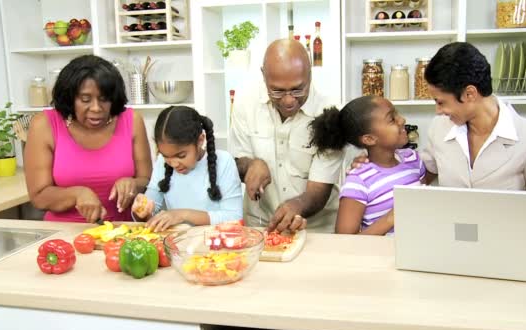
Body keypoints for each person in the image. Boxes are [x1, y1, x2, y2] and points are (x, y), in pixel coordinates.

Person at [354, 42, 526, 251]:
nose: (437, 111)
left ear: (470, 94)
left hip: (503, 248)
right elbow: (418, 176)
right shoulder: (440, 129)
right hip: (448, 247)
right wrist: (372, 162)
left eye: (441, 102)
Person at [229, 39, 343, 233]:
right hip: (259, 226)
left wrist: (295, 206)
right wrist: (251, 165)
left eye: (298, 89)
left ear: (310, 75)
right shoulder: (244, 102)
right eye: (278, 91)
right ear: (263, 75)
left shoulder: (331, 114)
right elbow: (237, 162)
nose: (289, 101)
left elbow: (319, 190)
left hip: (316, 230)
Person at [24, 55, 152, 223]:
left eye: (104, 99)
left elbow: (147, 180)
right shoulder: (44, 125)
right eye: (85, 99)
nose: (96, 108)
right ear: (70, 98)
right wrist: (76, 194)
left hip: (122, 232)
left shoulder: (132, 120)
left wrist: (133, 185)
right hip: (64, 235)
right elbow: (39, 197)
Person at [310, 96, 425, 235]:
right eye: (392, 119)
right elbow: (345, 241)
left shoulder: (413, 159)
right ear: (369, 139)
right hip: (382, 256)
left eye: (397, 113)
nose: (402, 120)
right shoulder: (359, 181)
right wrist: (390, 219)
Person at [131, 106, 242, 232]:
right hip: (177, 244)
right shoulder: (162, 163)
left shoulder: (224, 162)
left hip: (215, 245)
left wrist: (182, 215)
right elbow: (150, 209)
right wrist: (142, 210)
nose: (173, 164)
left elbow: (234, 217)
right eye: (166, 156)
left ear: (200, 140)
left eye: (181, 156)